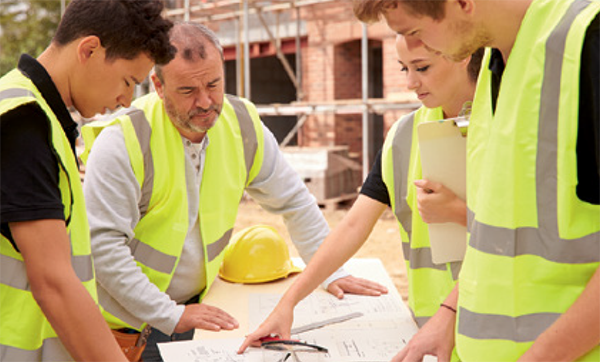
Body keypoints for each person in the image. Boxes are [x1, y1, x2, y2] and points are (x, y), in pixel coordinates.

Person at [80, 22, 388, 362]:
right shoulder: (124, 141)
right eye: (187, 91)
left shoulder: (241, 124)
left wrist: (330, 271)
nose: (206, 101)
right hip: (127, 327)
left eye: (213, 84)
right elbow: (104, 249)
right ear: (158, 85)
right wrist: (171, 314)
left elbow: (296, 202)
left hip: (199, 312)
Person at [353, 0, 600, 361]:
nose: (420, 48)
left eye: (414, 32)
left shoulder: (587, 42)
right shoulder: (491, 67)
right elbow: (498, 235)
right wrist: (449, 316)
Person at [239, 35, 483, 362]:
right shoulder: (403, 136)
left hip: (491, 331)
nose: (410, 82)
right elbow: (353, 225)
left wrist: (457, 212)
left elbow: (518, 235)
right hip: (428, 332)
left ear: (461, 52)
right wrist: (289, 303)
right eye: (404, 68)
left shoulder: (504, 127)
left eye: (422, 67)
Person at [0, 0, 174, 361]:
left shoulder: (33, 112)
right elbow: (54, 284)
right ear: (90, 49)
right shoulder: (25, 124)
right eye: (128, 81)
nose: (126, 100)